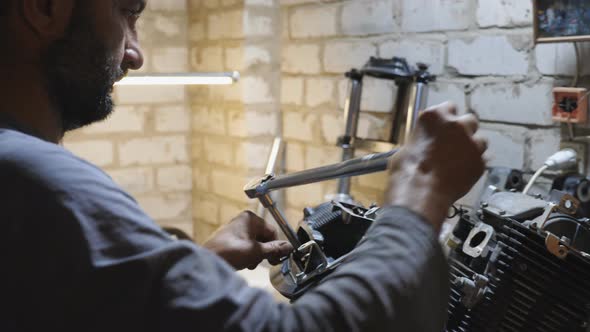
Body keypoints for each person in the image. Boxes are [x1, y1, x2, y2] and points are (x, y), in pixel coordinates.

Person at [0, 0, 487, 331]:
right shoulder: (35, 180)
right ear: (43, 7)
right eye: (126, 12)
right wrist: (422, 192)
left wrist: (199, 268)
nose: (135, 52)